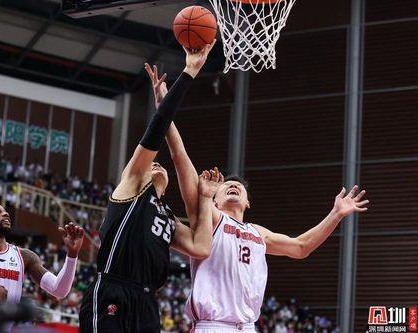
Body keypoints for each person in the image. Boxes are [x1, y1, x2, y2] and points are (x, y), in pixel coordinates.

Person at [145, 64, 370, 333]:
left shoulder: (258, 233)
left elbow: (301, 248)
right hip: (213, 326)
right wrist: (164, 110)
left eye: (238, 187)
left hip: (249, 327)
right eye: (226, 185)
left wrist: (336, 214)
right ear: (214, 199)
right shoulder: (210, 216)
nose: (233, 186)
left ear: (248, 202)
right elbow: (180, 158)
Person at [79, 40, 219, 333]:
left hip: (147, 302)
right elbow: (155, 131)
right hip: (113, 289)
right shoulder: (131, 189)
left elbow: (200, 246)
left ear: (166, 188)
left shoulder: (167, 217)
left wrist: (206, 199)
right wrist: (189, 72)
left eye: (160, 165)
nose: (156, 165)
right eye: (151, 165)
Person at [0, 203, 85, 330]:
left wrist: (72, 255)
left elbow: (59, 290)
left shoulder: (25, 256)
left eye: (5, 212)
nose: (5, 214)